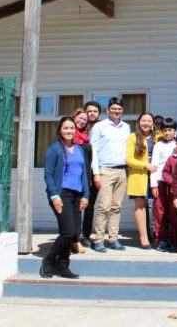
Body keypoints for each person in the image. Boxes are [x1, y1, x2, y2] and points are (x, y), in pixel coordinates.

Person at [41, 116, 89, 279]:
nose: (69, 131)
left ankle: (63, 266)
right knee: (67, 231)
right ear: (60, 131)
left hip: (77, 195)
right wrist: (54, 195)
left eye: (71, 128)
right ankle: (49, 260)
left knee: (74, 232)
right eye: (65, 128)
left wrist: (85, 195)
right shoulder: (54, 149)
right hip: (61, 194)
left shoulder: (79, 149)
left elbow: (83, 174)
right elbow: (47, 174)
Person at [89, 97, 131, 252]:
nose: (117, 111)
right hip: (105, 170)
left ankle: (113, 238)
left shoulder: (126, 127)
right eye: (113, 109)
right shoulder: (100, 127)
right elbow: (94, 152)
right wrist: (96, 173)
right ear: (108, 110)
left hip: (122, 171)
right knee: (104, 207)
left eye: (119, 109)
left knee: (116, 206)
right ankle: (99, 239)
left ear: (122, 111)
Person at [126, 112, 157, 249]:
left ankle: (157, 236)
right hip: (139, 176)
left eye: (149, 121)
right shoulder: (133, 137)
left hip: (156, 175)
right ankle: (144, 238)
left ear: (153, 124)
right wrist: (144, 165)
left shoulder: (159, 137)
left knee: (158, 206)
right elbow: (128, 159)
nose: (146, 123)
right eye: (143, 120)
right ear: (139, 123)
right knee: (140, 206)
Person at [151, 117, 177, 252]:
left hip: (174, 183)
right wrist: (154, 185)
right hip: (160, 182)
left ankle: (174, 239)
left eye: (170, 130)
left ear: (175, 131)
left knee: (174, 212)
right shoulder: (158, 145)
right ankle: (161, 239)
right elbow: (154, 165)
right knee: (160, 212)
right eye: (165, 130)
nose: (167, 133)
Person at [80, 101, 101, 247]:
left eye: (95, 111)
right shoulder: (80, 128)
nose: (92, 113)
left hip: (94, 171)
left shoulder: (101, 127)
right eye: (89, 111)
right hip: (79, 170)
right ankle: (74, 235)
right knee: (76, 203)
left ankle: (85, 234)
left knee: (90, 204)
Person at [71, 108, 91, 253]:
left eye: (85, 119)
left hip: (83, 176)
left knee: (78, 211)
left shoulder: (86, 137)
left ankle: (76, 240)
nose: (82, 121)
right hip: (70, 176)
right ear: (74, 117)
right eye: (80, 118)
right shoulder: (68, 134)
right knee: (69, 211)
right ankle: (70, 240)